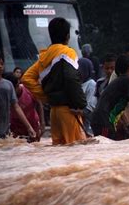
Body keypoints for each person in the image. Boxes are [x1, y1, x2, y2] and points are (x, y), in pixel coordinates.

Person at [22, 17, 87, 145]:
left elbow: (26, 78)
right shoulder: (68, 52)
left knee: (59, 152)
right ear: (68, 36)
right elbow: (70, 78)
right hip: (69, 111)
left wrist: (46, 97)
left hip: (54, 112)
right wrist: (80, 104)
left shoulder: (45, 55)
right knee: (77, 152)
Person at [0, 54, 36, 140]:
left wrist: (29, 127)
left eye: (2, 64)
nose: (0, 66)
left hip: (3, 130)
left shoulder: (8, 85)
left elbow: (16, 107)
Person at [4, 73, 45, 142]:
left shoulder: (28, 89)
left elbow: (39, 104)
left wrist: (42, 123)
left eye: (17, 86)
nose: (17, 89)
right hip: (15, 126)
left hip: (32, 123)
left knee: (35, 147)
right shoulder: (6, 95)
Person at [78, 57, 98, 136]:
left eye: (80, 69)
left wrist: (80, 112)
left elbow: (91, 105)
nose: (78, 72)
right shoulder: (77, 84)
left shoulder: (91, 84)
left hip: (87, 118)